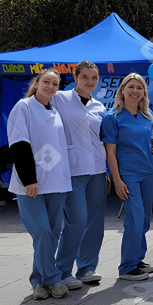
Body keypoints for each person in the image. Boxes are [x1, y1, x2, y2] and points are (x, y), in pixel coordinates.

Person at [8, 69, 72, 299]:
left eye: (55, 84)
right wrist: (29, 179)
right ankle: (53, 280)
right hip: (31, 184)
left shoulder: (54, 110)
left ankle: (38, 281)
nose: (51, 87)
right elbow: (18, 143)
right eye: (46, 82)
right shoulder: (23, 107)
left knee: (53, 233)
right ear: (36, 83)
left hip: (56, 182)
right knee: (42, 232)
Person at [51, 62, 107, 288]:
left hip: (98, 170)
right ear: (75, 77)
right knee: (77, 221)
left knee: (95, 222)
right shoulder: (59, 99)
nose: (90, 82)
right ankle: (63, 270)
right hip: (72, 171)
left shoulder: (99, 107)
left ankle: (87, 268)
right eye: (85, 77)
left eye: (94, 78)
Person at [101, 73, 153, 281]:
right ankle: (126, 267)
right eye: (131, 87)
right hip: (128, 175)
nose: (135, 91)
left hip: (148, 172)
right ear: (122, 90)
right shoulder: (111, 118)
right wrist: (116, 179)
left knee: (143, 221)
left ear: (144, 92)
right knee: (134, 219)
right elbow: (111, 153)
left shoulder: (147, 116)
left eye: (140, 88)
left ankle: (137, 259)